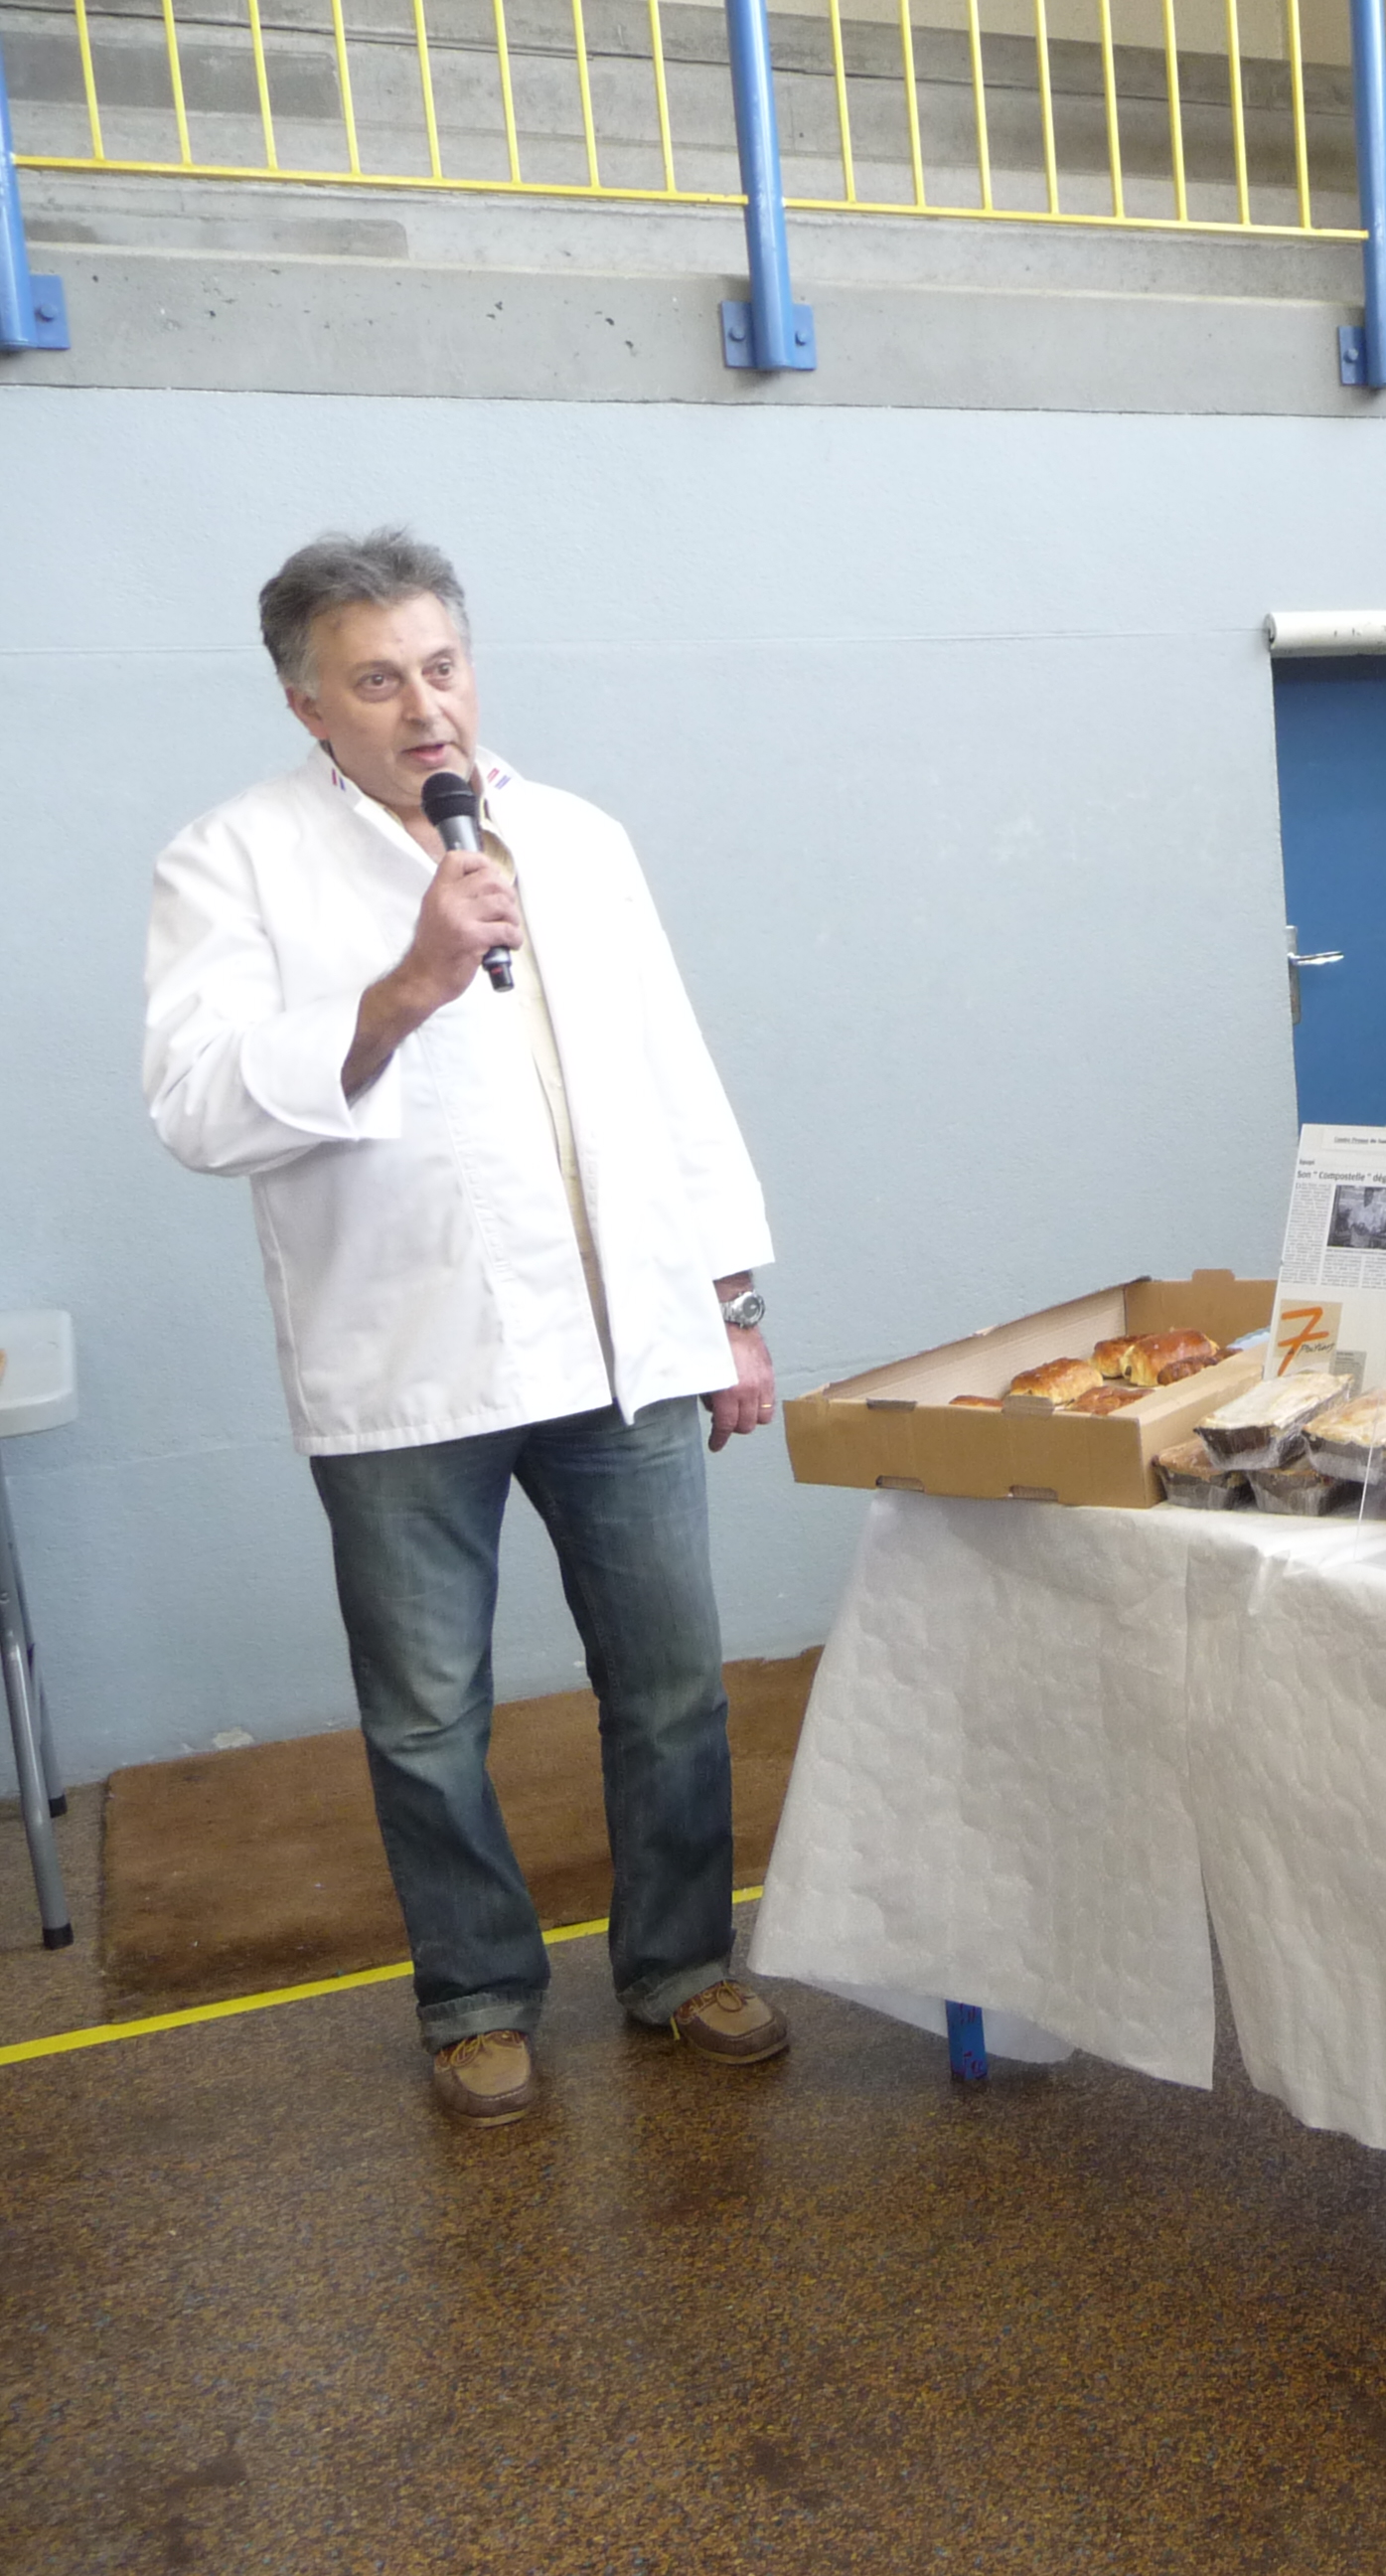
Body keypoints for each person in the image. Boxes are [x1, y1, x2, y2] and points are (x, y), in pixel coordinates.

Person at [143, 530, 793, 2126]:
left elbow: (672, 1075)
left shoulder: (575, 836)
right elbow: (198, 1107)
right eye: (377, 681)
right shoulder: (230, 862)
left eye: (442, 666)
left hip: (625, 1344)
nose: (425, 707)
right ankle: (477, 1998)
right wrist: (408, 985)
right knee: (430, 1718)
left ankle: (679, 1964)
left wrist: (729, 1307)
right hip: (408, 1365)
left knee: (672, 1687)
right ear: (308, 706)